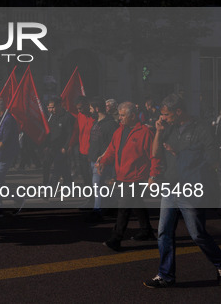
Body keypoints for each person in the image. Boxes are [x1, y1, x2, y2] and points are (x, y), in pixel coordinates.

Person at [144, 94, 221, 288]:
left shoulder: (201, 128)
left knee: (197, 234)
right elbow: (155, 153)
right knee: (164, 233)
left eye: (167, 115)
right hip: (170, 188)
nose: (164, 118)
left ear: (178, 112)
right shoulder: (169, 128)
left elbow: (212, 158)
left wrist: (181, 153)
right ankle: (165, 275)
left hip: (190, 188)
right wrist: (159, 131)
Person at [96, 102, 157, 251]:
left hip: (136, 177)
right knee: (137, 204)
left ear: (133, 116)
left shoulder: (145, 132)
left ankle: (116, 238)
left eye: (123, 116)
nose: (120, 118)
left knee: (123, 207)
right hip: (123, 175)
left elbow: (154, 156)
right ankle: (146, 231)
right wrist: (103, 161)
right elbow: (111, 149)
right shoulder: (119, 131)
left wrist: (153, 176)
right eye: (119, 115)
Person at [86, 97, 118, 222]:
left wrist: (103, 157)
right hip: (94, 159)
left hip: (103, 161)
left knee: (97, 185)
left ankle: (97, 209)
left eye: (90, 108)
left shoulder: (111, 124)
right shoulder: (96, 122)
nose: (89, 111)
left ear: (97, 109)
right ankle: (109, 206)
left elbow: (113, 144)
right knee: (100, 186)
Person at [42, 97, 74, 188]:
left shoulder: (67, 117)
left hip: (62, 148)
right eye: (48, 108)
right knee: (47, 165)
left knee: (57, 169)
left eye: (52, 107)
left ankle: (49, 190)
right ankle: (45, 184)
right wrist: (46, 146)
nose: (50, 110)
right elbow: (49, 133)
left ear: (59, 106)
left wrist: (66, 147)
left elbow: (70, 134)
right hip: (52, 147)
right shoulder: (51, 118)